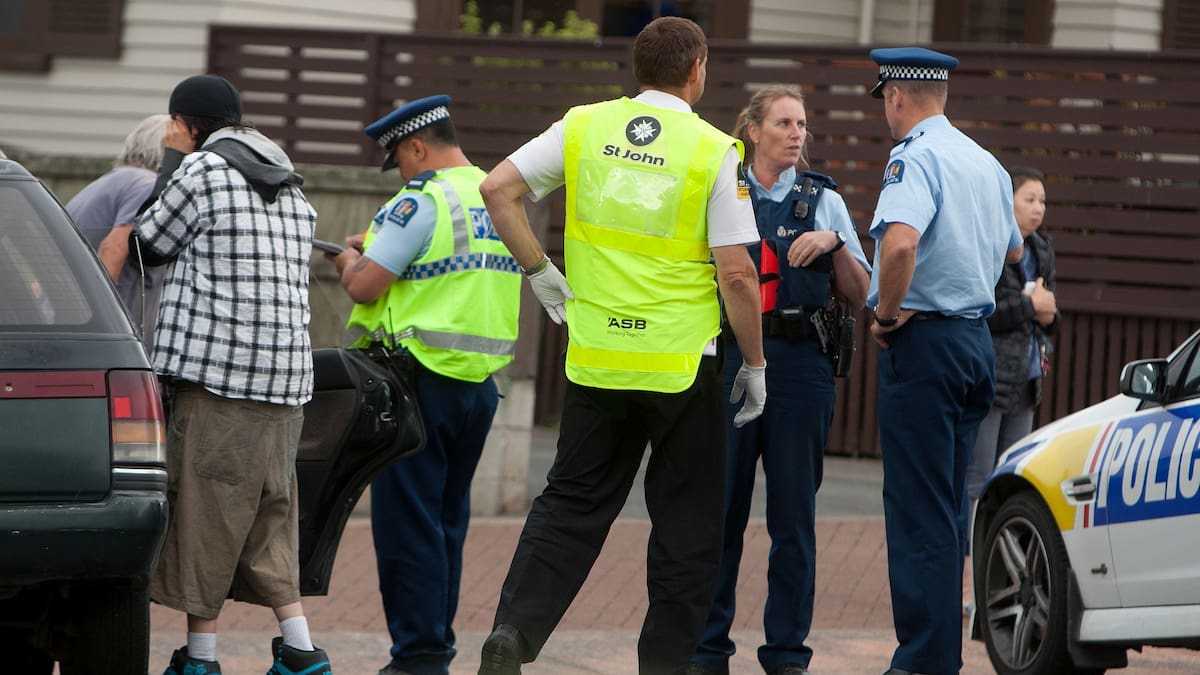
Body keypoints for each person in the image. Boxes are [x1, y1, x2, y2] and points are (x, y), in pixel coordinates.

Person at [475, 16, 767, 675]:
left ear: (639, 69)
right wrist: (755, 362)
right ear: (697, 70)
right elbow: (738, 273)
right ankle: (664, 665)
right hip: (680, 364)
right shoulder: (713, 149)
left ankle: (513, 632)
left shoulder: (583, 126)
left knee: (571, 502)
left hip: (598, 354)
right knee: (687, 524)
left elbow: (497, 188)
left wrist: (541, 273)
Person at [130, 74, 331, 675]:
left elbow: (148, 245)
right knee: (271, 517)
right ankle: (299, 652)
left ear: (186, 124)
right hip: (288, 386)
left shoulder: (203, 171)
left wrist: (171, 157)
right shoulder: (291, 186)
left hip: (220, 382)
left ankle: (200, 661)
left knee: (205, 518)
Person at [329, 95, 523, 675]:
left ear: (418, 146)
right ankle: (434, 646)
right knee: (445, 522)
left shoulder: (421, 201)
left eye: (401, 159)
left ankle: (418, 658)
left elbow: (366, 286)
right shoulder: (498, 192)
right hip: (479, 385)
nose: (402, 172)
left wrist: (346, 262)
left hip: (417, 383)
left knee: (407, 525)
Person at [688, 85, 870, 675]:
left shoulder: (823, 199)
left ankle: (786, 654)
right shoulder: (723, 185)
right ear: (754, 129)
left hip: (800, 368)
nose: (798, 134)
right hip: (732, 362)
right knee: (720, 516)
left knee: (794, 519)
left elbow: (862, 292)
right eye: (786, 123)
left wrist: (836, 241)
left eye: (803, 124)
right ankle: (708, 649)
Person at [864, 48, 1023, 675]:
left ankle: (924, 662)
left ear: (897, 95)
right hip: (975, 343)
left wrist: (885, 314)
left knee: (918, 510)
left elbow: (899, 244)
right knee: (951, 508)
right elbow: (1013, 253)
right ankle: (940, 656)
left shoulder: (916, 158)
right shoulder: (986, 162)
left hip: (926, 345)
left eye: (883, 97)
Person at [965, 166, 1058, 501]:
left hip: (1028, 376)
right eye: (1030, 199)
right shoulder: (992, 244)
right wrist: (1032, 306)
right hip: (992, 372)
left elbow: (1051, 313)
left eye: (1042, 201)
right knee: (979, 476)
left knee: (1013, 475)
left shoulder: (1042, 249)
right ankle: (969, 551)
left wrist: (1040, 309)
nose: (1038, 208)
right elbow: (988, 310)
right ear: (1009, 202)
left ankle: (999, 550)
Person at [66, 113, 170, 346]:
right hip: (103, 337)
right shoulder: (146, 185)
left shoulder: (109, 181)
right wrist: (105, 330)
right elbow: (113, 248)